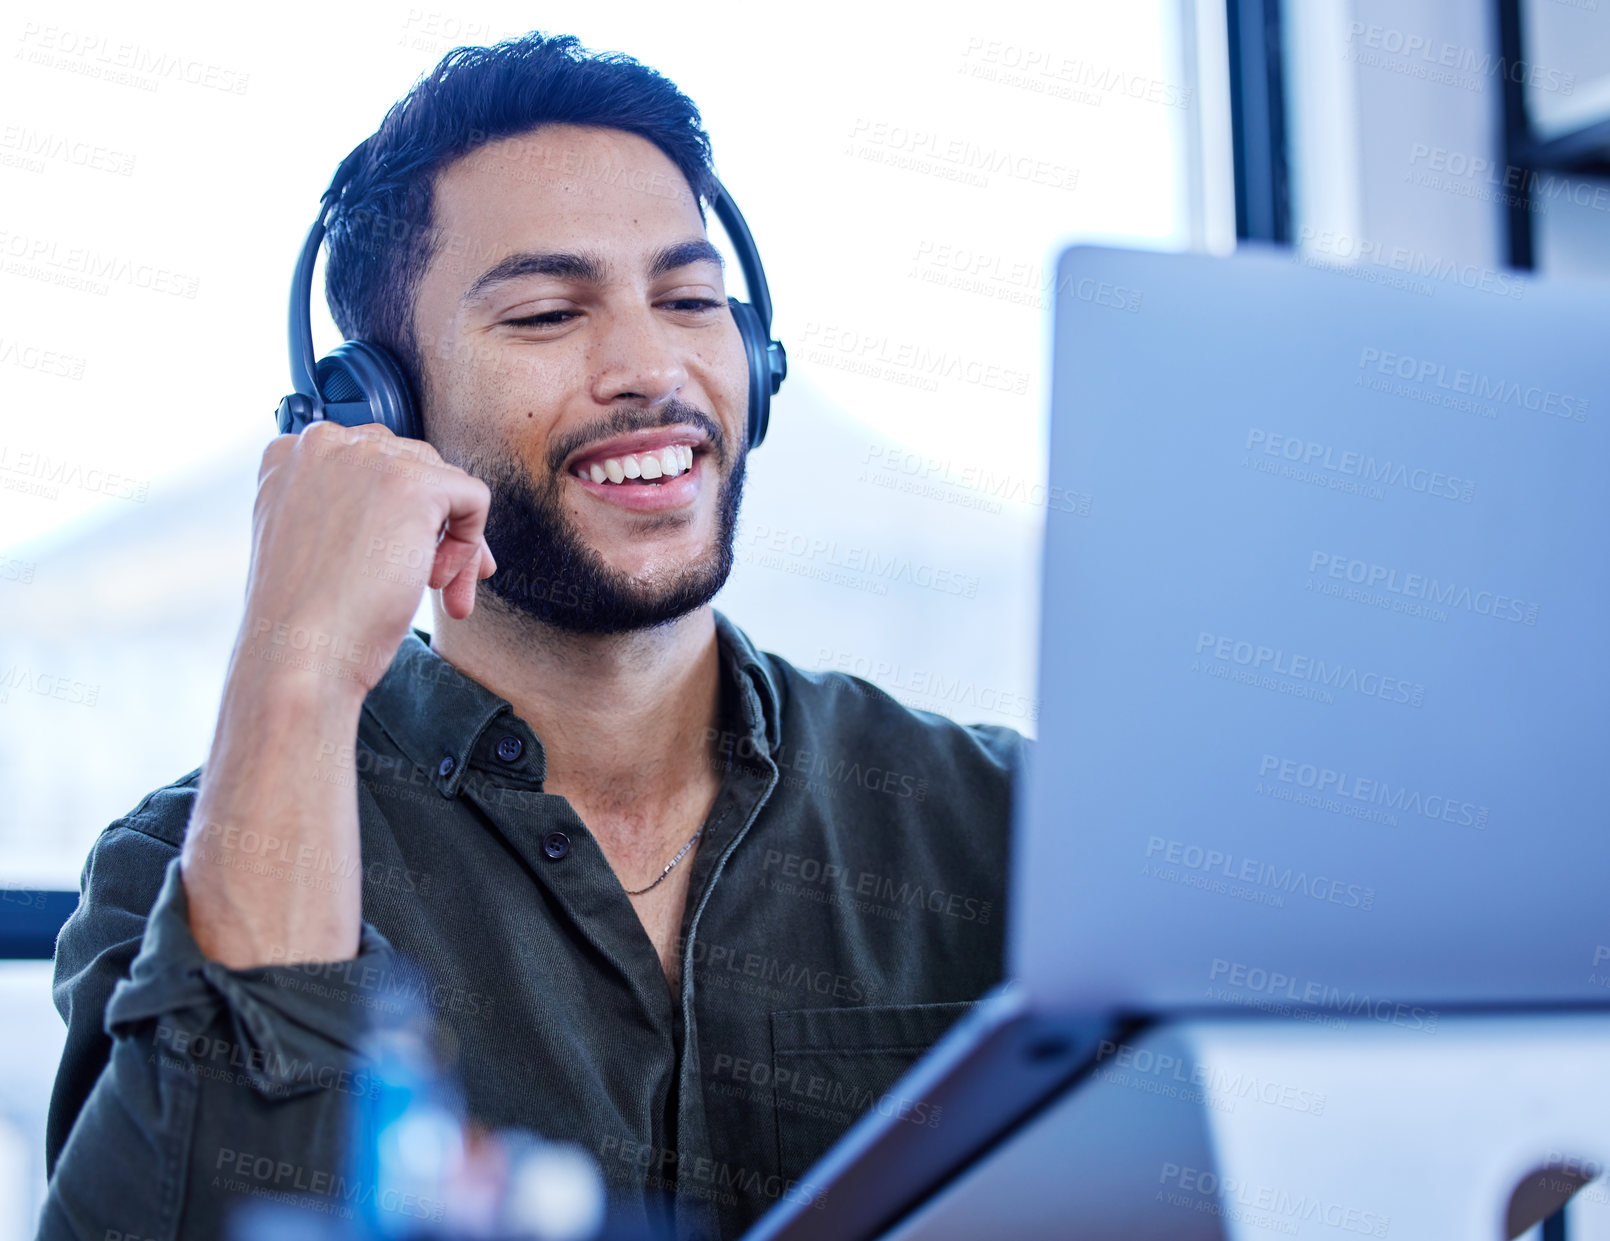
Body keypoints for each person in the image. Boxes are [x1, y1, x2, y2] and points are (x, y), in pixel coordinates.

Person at [41, 31, 1023, 1241]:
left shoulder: (1005, 826)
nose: (650, 365)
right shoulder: (181, 870)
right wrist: (295, 661)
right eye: (550, 312)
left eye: (689, 300)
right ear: (376, 410)